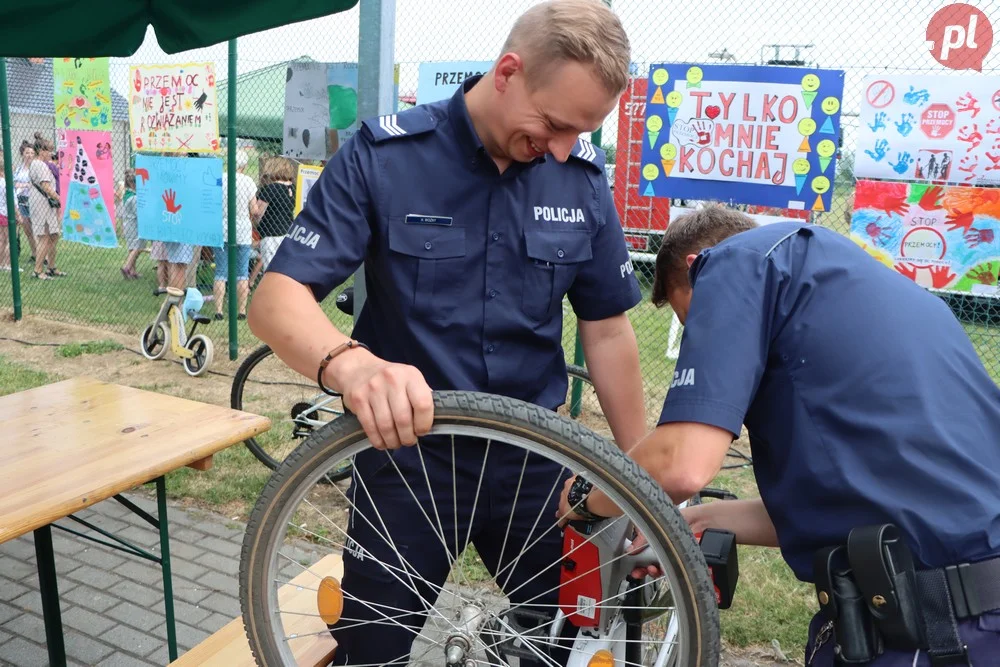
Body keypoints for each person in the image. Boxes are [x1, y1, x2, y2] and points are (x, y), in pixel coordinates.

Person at [247, 1, 646, 663]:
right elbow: (276, 299)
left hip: (535, 461)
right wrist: (353, 366)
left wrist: (640, 475)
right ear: (508, 71)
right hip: (408, 456)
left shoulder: (578, 181)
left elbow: (606, 330)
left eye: (579, 132)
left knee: (571, 643)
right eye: (551, 124)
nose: (559, 148)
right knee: (371, 649)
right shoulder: (385, 155)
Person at [558, 205, 1000, 666]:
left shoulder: (738, 261)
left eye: (699, 326)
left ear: (697, 267)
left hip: (925, 630)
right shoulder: (877, 294)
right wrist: (698, 519)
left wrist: (589, 494)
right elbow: (854, 505)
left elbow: (684, 464)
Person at [213, 149, 257, 319]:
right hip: (243, 229)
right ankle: (241, 311)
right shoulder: (248, 181)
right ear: (244, 165)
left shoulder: (220, 180)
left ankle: (218, 310)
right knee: (242, 272)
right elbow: (253, 209)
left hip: (222, 227)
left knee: (220, 271)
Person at [249, 156, 295, 275]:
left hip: (271, 233)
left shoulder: (271, 188)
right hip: (287, 231)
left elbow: (258, 212)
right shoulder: (292, 188)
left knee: (270, 268)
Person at [118, 169, 145, 279]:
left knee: (132, 247)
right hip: (134, 225)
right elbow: (138, 213)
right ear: (133, 183)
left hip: (127, 224)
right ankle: (127, 267)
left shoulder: (126, 195)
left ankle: (133, 271)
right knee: (137, 247)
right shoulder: (134, 198)